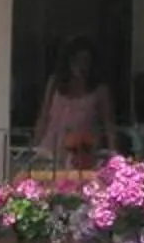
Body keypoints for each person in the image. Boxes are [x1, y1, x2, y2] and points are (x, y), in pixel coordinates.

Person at [34, 36, 114, 167]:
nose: (81, 66)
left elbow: (109, 125)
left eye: (86, 61)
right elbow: (43, 117)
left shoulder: (99, 90)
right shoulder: (55, 83)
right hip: (51, 148)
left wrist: (115, 157)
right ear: (68, 62)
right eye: (76, 61)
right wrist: (33, 149)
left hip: (81, 150)